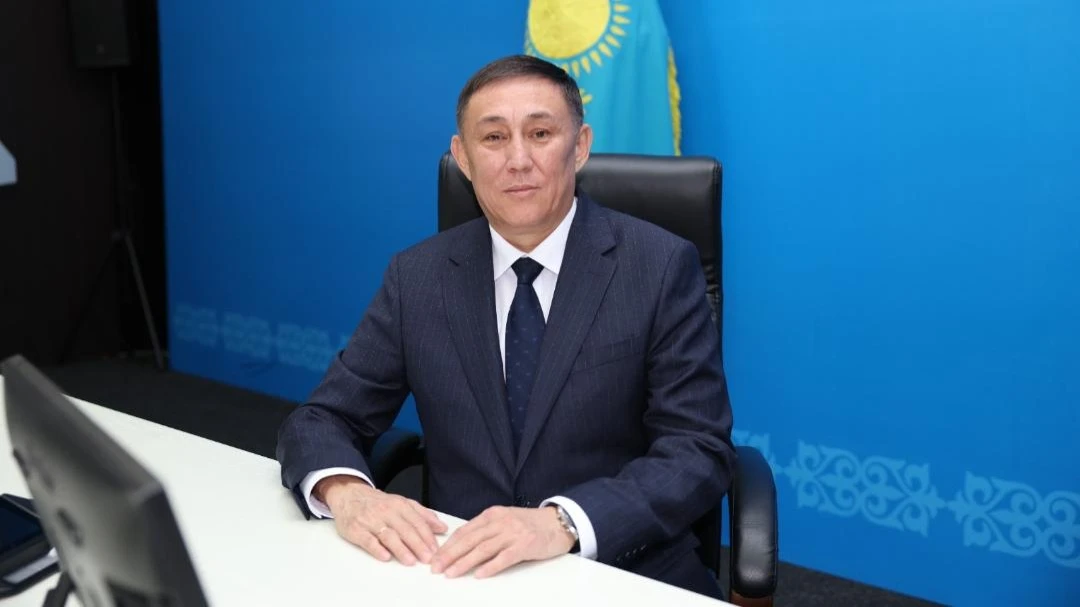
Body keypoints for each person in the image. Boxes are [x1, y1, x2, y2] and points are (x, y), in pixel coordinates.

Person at [275, 54, 736, 599]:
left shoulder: (658, 267)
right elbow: (323, 418)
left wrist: (564, 521)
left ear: (580, 146)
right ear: (463, 157)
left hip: (619, 570)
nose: (519, 160)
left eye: (540, 133)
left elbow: (696, 448)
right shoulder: (417, 277)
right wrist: (348, 492)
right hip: (460, 572)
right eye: (493, 138)